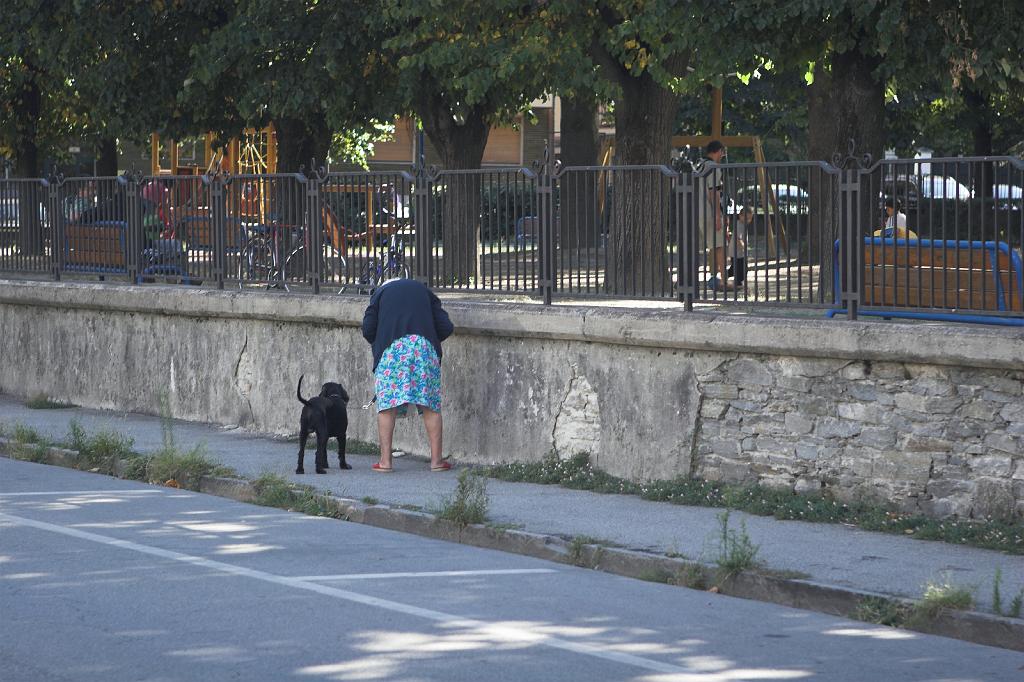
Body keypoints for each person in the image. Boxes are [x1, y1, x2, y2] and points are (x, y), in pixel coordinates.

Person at [361, 278, 454, 473]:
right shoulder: (425, 292)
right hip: (424, 348)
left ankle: (385, 462)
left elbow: (368, 328)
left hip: (391, 351)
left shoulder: (379, 294)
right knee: (430, 406)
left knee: (387, 405)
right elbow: (446, 327)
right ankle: (436, 461)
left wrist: (380, 344)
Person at [697, 140, 732, 291]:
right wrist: (718, 216)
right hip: (708, 211)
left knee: (705, 247)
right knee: (719, 246)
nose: (723, 156)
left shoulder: (699, 165)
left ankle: (703, 278)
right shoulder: (713, 168)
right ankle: (724, 281)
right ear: (719, 151)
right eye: (723, 152)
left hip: (696, 210)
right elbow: (714, 193)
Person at [727, 206, 753, 286]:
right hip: (737, 253)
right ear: (740, 216)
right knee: (742, 269)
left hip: (738, 252)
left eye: (749, 218)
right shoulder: (739, 225)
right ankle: (737, 282)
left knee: (735, 268)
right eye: (745, 218)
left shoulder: (742, 224)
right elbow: (738, 238)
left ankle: (725, 275)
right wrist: (743, 246)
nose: (747, 220)